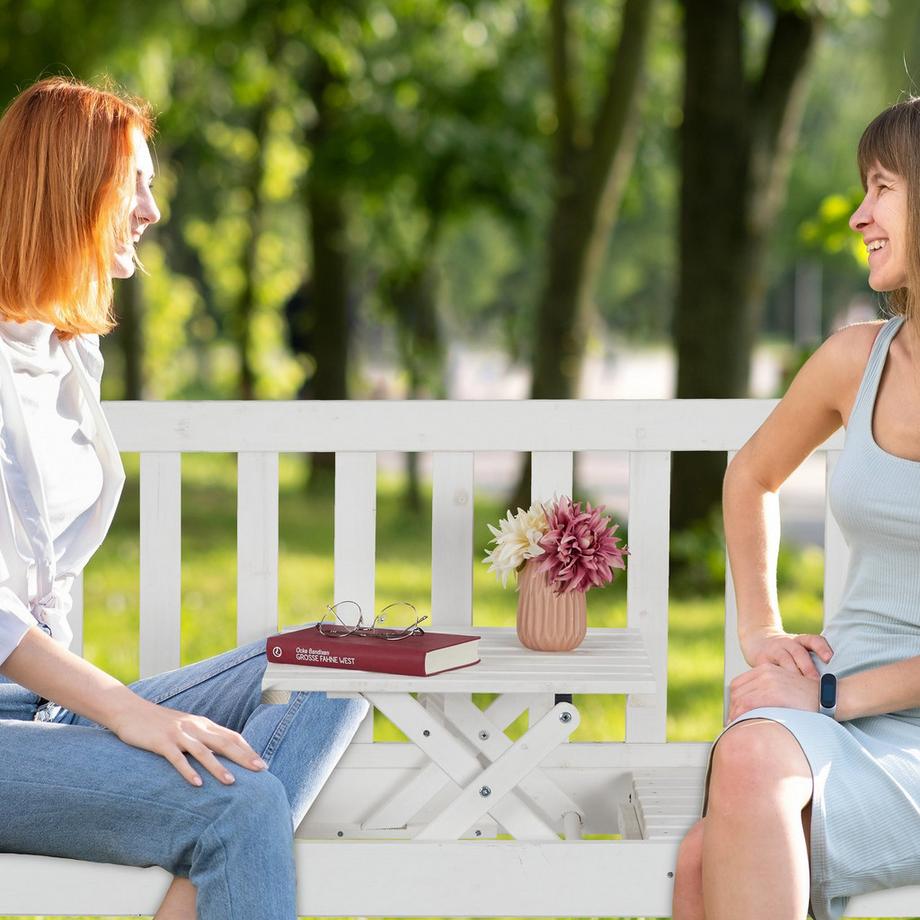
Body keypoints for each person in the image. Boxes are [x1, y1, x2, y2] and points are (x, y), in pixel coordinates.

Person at [0, 77, 369, 920]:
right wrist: (129, 715)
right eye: (134, 182)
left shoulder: (63, 357)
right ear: (70, 187)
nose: (151, 209)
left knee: (334, 670)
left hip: (51, 710)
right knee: (239, 807)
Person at [672, 96, 920, 920]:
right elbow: (749, 477)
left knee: (713, 840)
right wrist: (763, 635)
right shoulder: (857, 359)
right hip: (840, 709)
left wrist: (824, 697)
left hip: (870, 714)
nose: (858, 216)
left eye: (881, 187)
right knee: (722, 812)